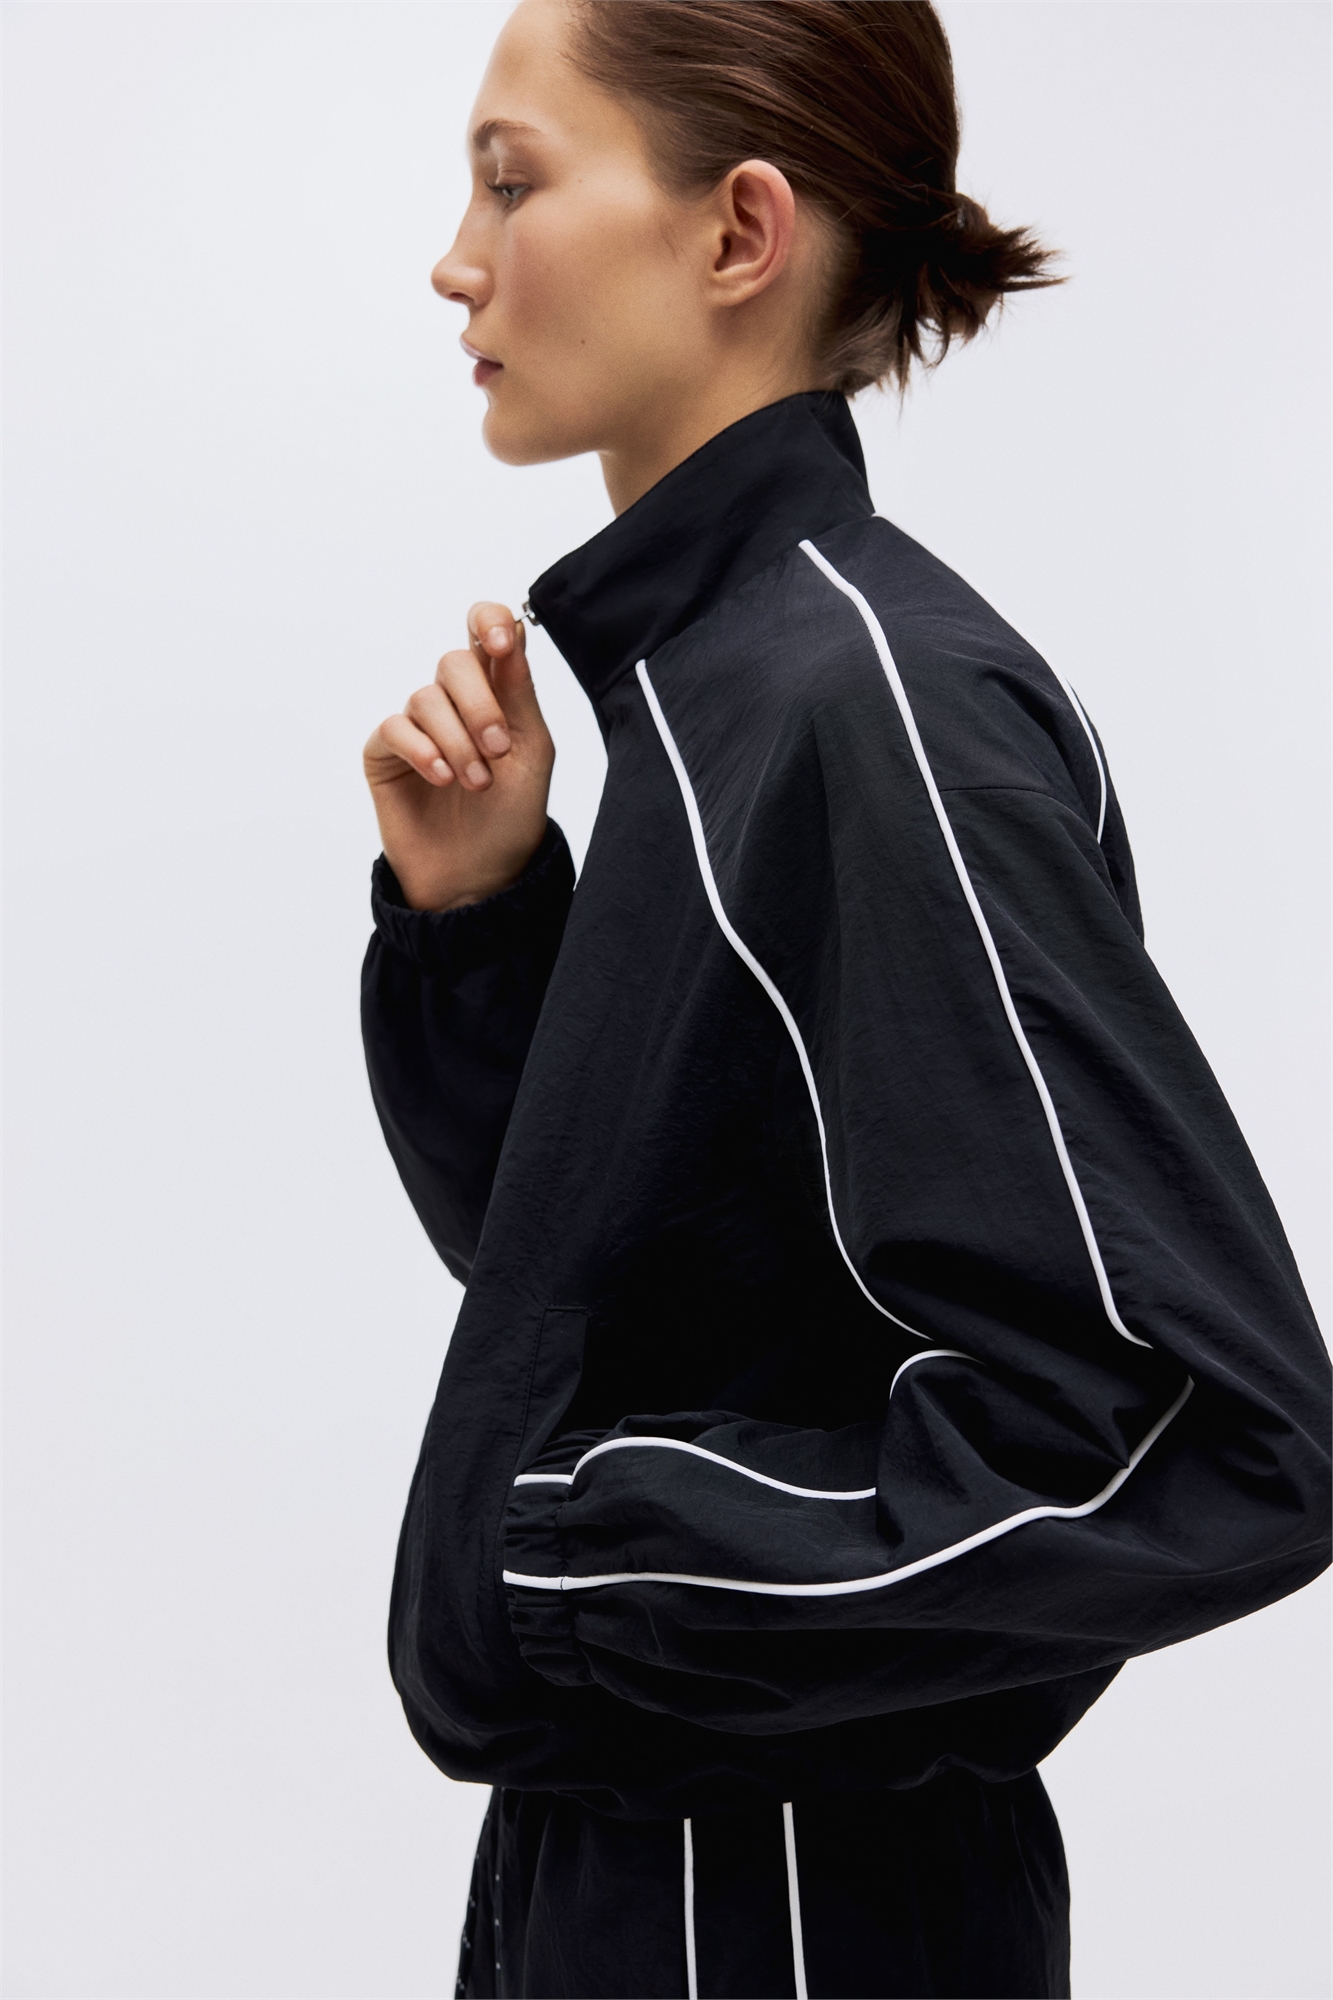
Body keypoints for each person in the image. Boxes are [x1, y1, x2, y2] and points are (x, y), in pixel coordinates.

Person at [359, 3, 1331, 1994]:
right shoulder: (723, 690)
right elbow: (636, 1300)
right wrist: (480, 926)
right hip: (644, 1869)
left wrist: (566, 1563)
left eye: (512, 181)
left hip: (793, 1901)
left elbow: (1203, 1425)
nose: (455, 261)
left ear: (738, 232)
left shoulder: (866, 708)